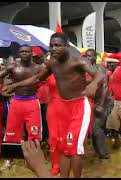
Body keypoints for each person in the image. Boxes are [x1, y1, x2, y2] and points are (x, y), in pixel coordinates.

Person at [2, 32, 104, 178]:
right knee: (63, 147)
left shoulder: (78, 61)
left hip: (79, 107)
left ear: (67, 46)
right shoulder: (52, 63)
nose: (53, 49)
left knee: (74, 148)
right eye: (51, 46)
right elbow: (37, 78)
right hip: (63, 108)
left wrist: (94, 84)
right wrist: (14, 86)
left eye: (57, 45)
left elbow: (99, 74)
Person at [0, 45, 42, 143]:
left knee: (34, 133)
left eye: (26, 51)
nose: (24, 53)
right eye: (22, 51)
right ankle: (12, 155)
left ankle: (34, 155)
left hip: (32, 101)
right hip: (16, 101)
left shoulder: (38, 68)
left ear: (31, 53)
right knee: (12, 132)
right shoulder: (13, 66)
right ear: (19, 53)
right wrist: (3, 86)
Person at [84, 49, 111, 160]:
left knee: (96, 128)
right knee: (93, 129)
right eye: (86, 56)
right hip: (90, 102)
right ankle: (98, 151)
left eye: (90, 56)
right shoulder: (85, 69)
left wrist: (100, 105)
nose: (87, 58)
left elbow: (105, 88)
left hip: (102, 102)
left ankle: (104, 154)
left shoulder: (101, 69)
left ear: (95, 57)